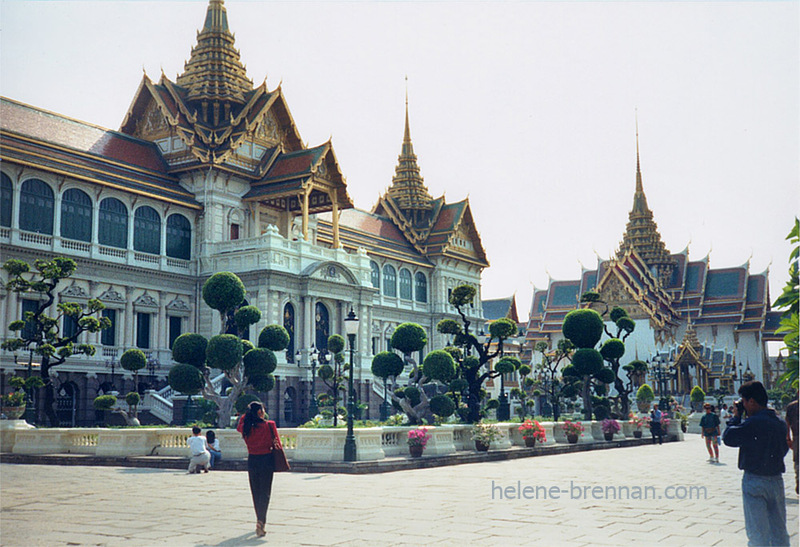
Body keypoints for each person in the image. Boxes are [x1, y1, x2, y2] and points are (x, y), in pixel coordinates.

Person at [722, 381, 790, 546]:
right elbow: (785, 448)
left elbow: (728, 437)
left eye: (744, 401)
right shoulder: (779, 422)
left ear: (751, 401)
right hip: (776, 480)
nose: (743, 405)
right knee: (779, 530)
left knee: (758, 533)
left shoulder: (752, 423)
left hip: (755, 480)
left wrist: (736, 417)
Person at [237, 401, 283, 538]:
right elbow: (278, 444)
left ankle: (259, 519)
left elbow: (240, 423)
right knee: (265, 492)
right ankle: (261, 521)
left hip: (252, 460)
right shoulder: (270, 425)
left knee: (256, 492)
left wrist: (248, 413)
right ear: (260, 412)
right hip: (266, 460)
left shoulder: (245, 427)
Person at [786, 399, 798, 495]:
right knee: (797, 461)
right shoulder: (792, 407)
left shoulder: (792, 406)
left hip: (796, 437)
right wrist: (788, 438)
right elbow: (787, 423)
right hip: (797, 437)